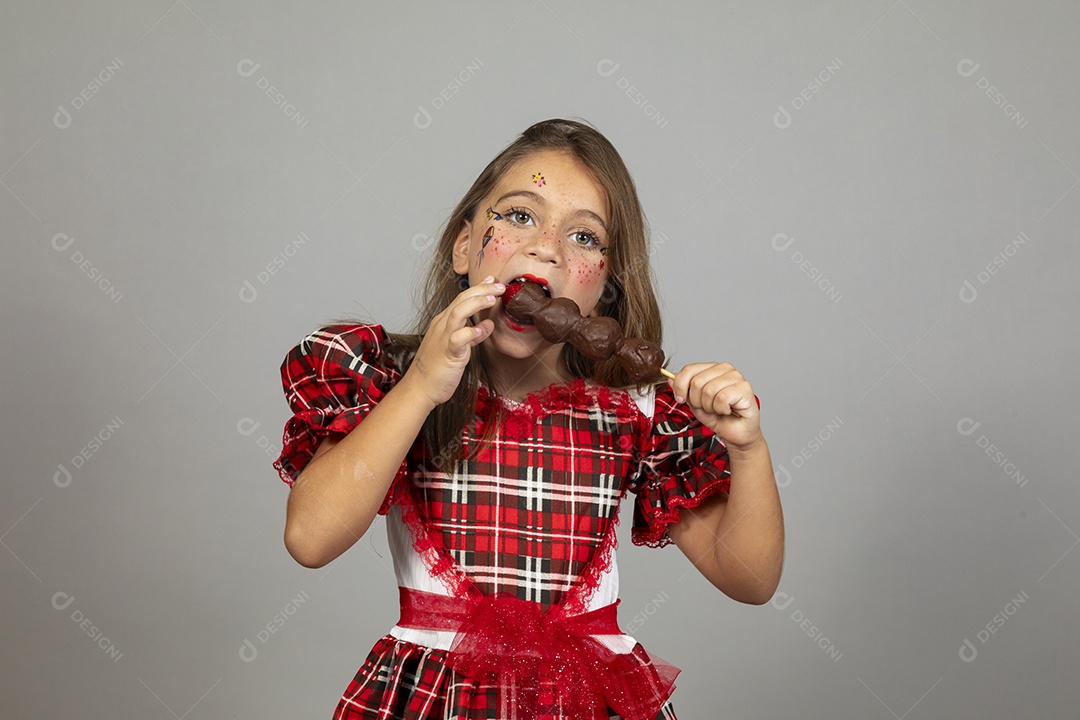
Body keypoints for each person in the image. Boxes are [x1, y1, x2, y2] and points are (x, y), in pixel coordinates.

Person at [272, 118, 784, 720]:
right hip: (439, 697)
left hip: (587, 698)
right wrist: (422, 385)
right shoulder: (390, 379)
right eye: (519, 215)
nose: (547, 248)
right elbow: (310, 539)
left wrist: (747, 448)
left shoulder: (639, 412)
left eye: (585, 237)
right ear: (464, 246)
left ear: (605, 289)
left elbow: (751, 580)